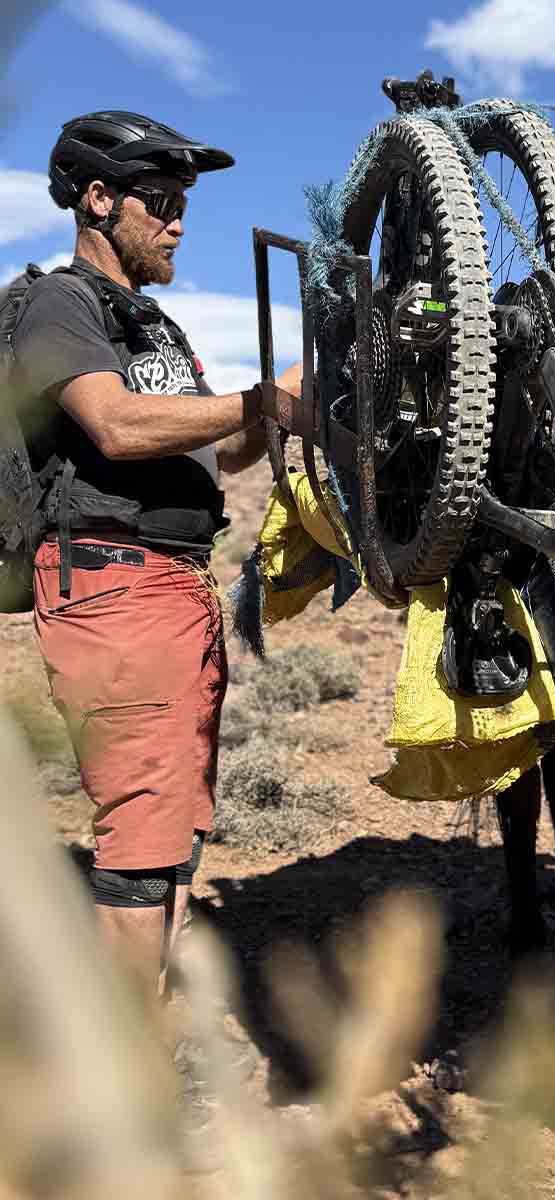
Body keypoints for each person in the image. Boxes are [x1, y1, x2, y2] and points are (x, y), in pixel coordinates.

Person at [11, 110, 300, 995]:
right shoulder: (61, 301)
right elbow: (115, 423)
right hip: (116, 586)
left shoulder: (154, 329)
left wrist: (291, 406)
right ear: (97, 200)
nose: (177, 220)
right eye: (159, 200)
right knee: (140, 843)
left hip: (172, 591)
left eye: (183, 204)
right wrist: (260, 397)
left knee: (172, 832)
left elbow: (227, 450)